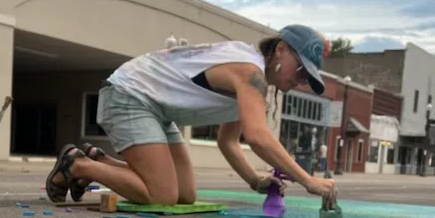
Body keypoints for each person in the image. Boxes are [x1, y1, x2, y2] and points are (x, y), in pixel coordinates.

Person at [45, 25, 337, 207]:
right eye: (300, 71)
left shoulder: (253, 86)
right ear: (281, 50)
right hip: (130, 94)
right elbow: (259, 137)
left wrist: (254, 180)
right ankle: (79, 165)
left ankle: (101, 161)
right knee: (162, 195)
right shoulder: (250, 72)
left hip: (156, 108)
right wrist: (307, 179)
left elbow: (229, 141)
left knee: (185, 195)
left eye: (307, 80)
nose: (301, 82)